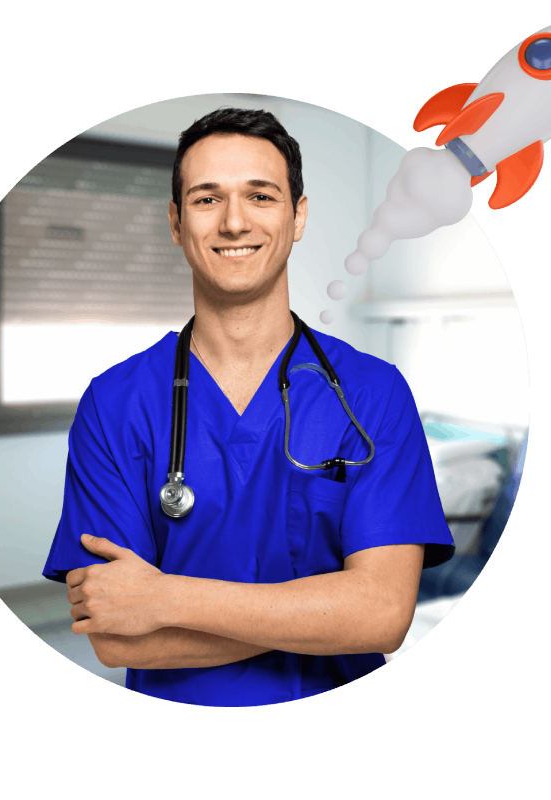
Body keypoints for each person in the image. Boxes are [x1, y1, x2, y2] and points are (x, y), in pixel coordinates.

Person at [43, 107, 455, 706]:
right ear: (176, 221)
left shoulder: (372, 393)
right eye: (207, 199)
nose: (235, 222)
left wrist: (164, 600)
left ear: (299, 216)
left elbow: (382, 618)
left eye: (260, 196)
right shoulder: (114, 404)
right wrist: (324, 611)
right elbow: (118, 639)